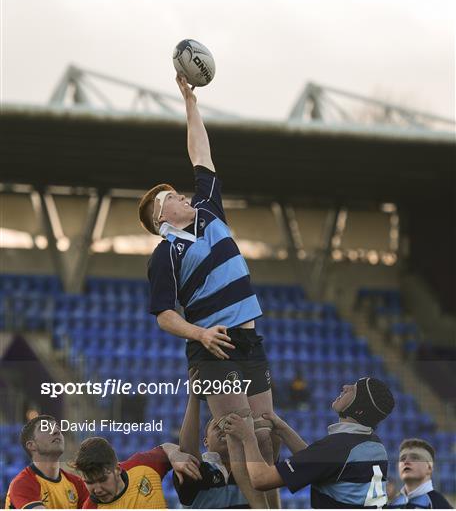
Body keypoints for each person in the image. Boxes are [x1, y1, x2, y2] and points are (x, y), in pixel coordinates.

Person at [138, 74, 275, 508]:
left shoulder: (208, 209)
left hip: (248, 337)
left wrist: (189, 101)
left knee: (265, 436)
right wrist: (198, 334)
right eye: (169, 198)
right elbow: (163, 314)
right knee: (238, 437)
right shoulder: (165, 254)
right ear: (162, 219)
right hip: (212, 346)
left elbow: (201, 151)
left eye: (175, 191)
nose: (178, 194)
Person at [224, 376, 395, 508]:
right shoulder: (375, 445)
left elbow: (261, 479)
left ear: (358, 409)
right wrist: (283, 428)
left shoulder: (338, 448)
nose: (345, 387)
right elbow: (321, 465)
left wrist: (248, 438)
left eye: (354, 390)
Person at [173, 368, 249, 508]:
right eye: (217, 427)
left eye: (228, 425)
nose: (224, 429)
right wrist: (195, 395)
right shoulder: (202, 470)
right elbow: (188, 449)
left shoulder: (252, 470)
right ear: (205, 441)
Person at [72, 436, 201, 508]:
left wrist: (173, 454)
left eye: (102, 480)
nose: (97, 489)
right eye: (90, 482)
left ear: (117, 469)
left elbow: (166, 448)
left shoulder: (141, 466)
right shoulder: (90, 507)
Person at [5, 415, 88, 509]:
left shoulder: (77, 483)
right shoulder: (22, 484)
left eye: (57, 428)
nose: (57, 431)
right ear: (31, 445)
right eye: (45, 428)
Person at [388, 438, 452, 508]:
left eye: (414, 458)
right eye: (403, 458)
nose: (406, 462)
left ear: (429, 467)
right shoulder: (393, 504)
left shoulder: (439, 504)